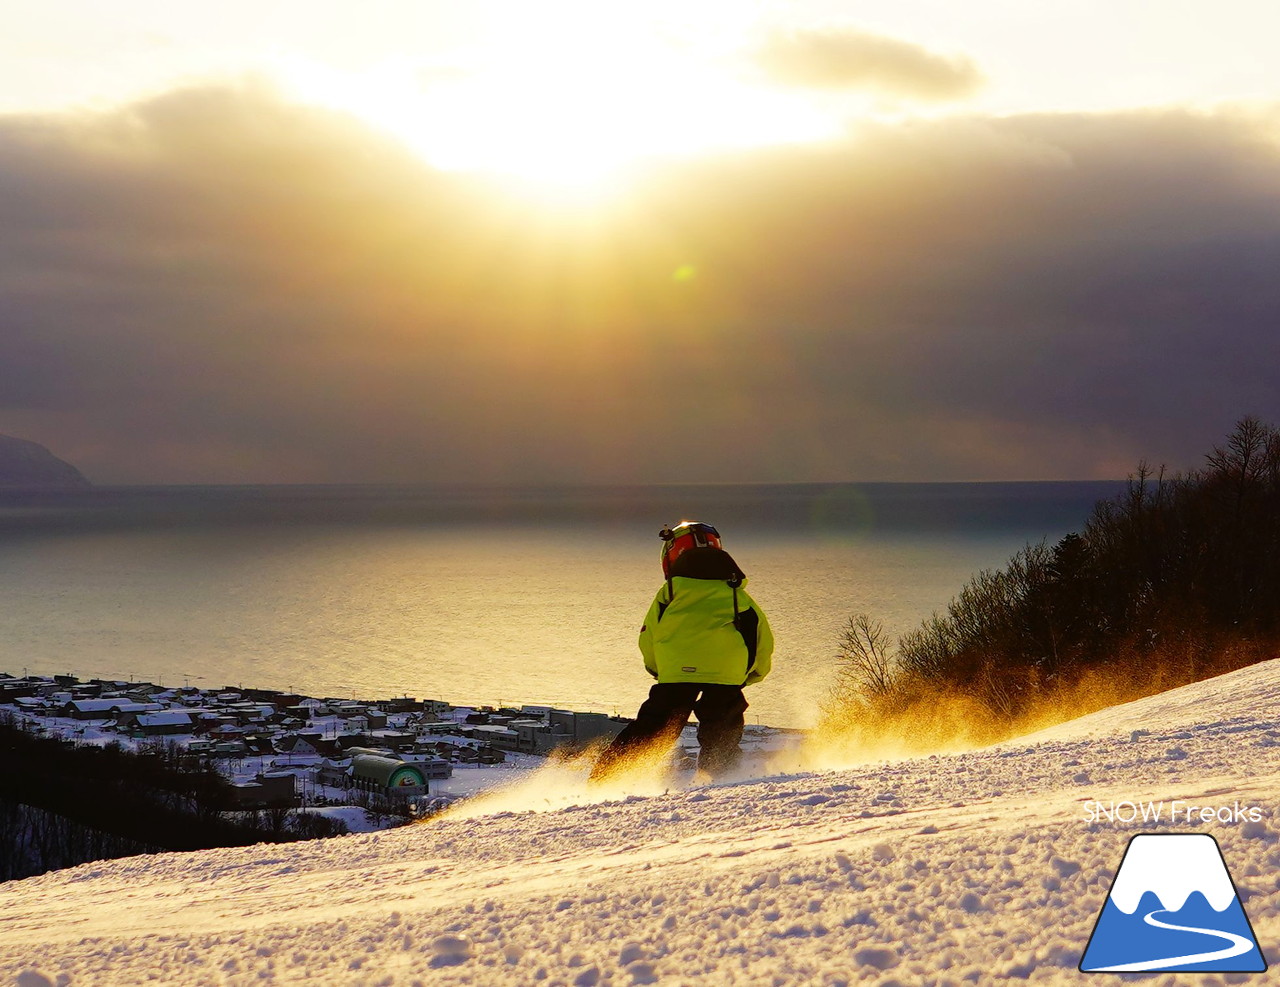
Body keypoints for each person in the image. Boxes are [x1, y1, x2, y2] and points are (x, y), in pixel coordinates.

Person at [590, 520, 773, 783]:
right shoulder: (736, 593)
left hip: (675, 672)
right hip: (726, 674)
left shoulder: (669, 594)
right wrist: (751, 674)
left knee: (653, 728)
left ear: (672, 555)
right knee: (722, 730)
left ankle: (606, 778)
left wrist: (658, 669)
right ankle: (723, 781)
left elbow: (649, 635)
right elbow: (760, 638)